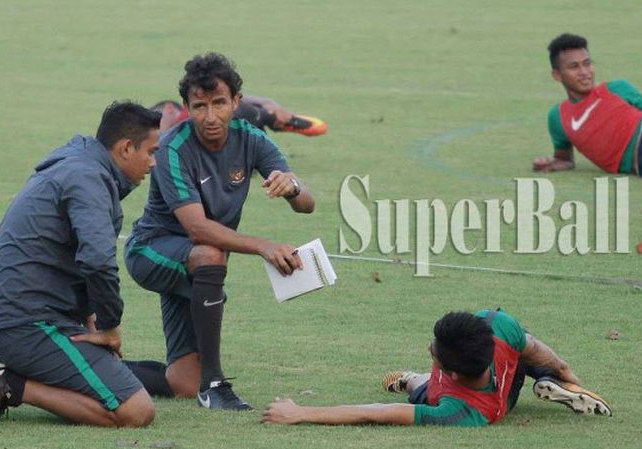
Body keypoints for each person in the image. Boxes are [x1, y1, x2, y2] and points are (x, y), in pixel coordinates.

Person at [123, 53, 315, 410]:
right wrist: (263, 246)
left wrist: (292, 186)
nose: (210, 117)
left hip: (195, 264)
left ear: (236, 102)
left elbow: (307, 204)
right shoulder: (173, 148)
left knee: (180, 382)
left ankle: (97, 369)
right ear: (186, 106)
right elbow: (197, 229)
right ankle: (214, 385)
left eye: (219, 103)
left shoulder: (251, 138)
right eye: (199, 106)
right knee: (210, 254)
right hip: (151, 251)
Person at [0, 101, 162, 427]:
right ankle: (10, 384)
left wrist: (91, 319)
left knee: (115, 378)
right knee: (136, 411)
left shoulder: (81, 164)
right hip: (30, 326)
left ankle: (15, 376)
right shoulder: (88, 178)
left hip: (33, 319)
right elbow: (97, 261)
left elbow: (72, 258)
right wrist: (110, 326)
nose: (154, 162)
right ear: (126, 148)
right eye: (150, 152)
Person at [262, 309, 612, 426]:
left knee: (419, 389)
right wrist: (566, 372)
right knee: (523, 348)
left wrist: (300, 412)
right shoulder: (495, 323)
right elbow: (536, 347)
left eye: (435, 352)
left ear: (451, 373)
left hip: (485, 400)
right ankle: (551, 381)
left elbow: (377, 412)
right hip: (510, 374)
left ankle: (410, 378)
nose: (431, 347)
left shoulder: (458, 411)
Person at [533, 33, 642, 179]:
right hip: (641, 162)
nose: (584, 72)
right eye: (574, 67)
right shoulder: (557, 116)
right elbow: (565, 158)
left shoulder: (618, 88)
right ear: (557, 75)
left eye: (587, 63)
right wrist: (555, 163)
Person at [152, 96, 328, 136]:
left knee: (237, 109)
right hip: (238, 130)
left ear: (169, 108)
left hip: (239, 121)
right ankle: (272, 118)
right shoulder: (177, 131)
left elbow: (234, 96)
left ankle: (271, 116)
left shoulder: (187, 112)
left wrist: (268, 102)